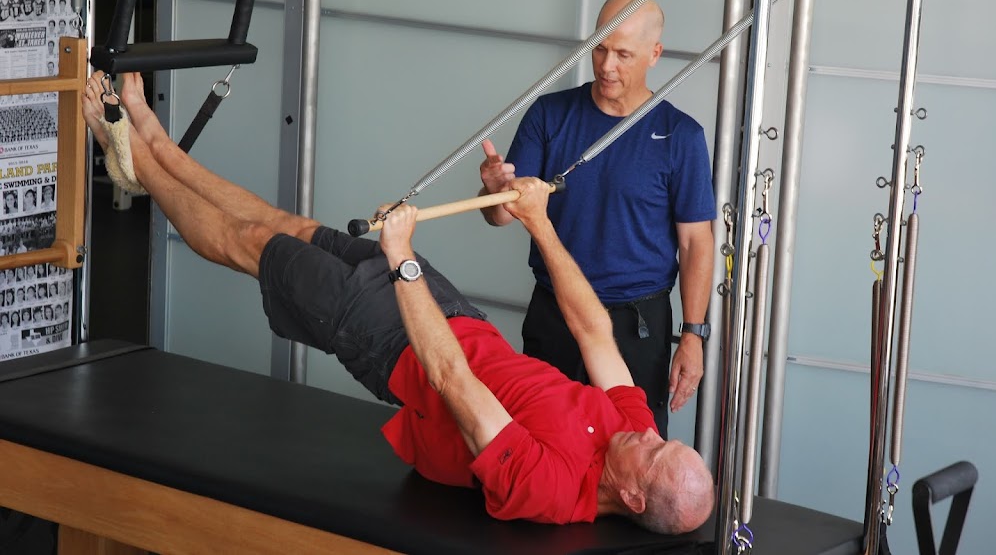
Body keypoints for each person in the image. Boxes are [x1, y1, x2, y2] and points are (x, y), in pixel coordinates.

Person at [81, 71, 714, 535]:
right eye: (664, 439)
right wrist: (540, 225)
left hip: (402, 349)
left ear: (633, 497)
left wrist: (403, 257)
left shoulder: (550, 488)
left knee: (251, 243)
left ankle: (133, 160)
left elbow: (450, 378)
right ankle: (159, 146)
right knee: (292, 227)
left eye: (655, 451)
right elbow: (594, 330)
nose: (649, 431)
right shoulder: (631, 426)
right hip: (458, 323)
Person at [478, 0, 716, 437]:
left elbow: (695, 242)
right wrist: (493, 192)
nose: (606, 65)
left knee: (632, 455)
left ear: (654, 54)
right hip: (556, 314)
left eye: (623, 54)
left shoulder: (681, 136)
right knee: (543, 444)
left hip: (636, 324)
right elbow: (504, 214)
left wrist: (693, 335)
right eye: (600, 48)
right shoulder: (550, 115)